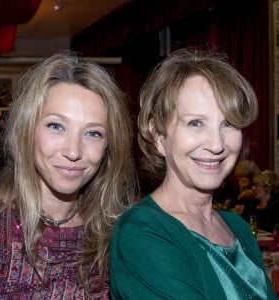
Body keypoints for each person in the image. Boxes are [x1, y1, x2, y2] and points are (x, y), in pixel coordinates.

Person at [109, 48, 276, 299]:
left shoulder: (238, 228)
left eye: (228, 123)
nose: (217, 144)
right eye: (196, 123)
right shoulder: (142, 232)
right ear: (158, 136)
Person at [0, 52, 137, 299]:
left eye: (93, 133)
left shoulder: (119, 234)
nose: (73, 151)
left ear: (109, 145)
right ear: (27, 130)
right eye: (56, 126)